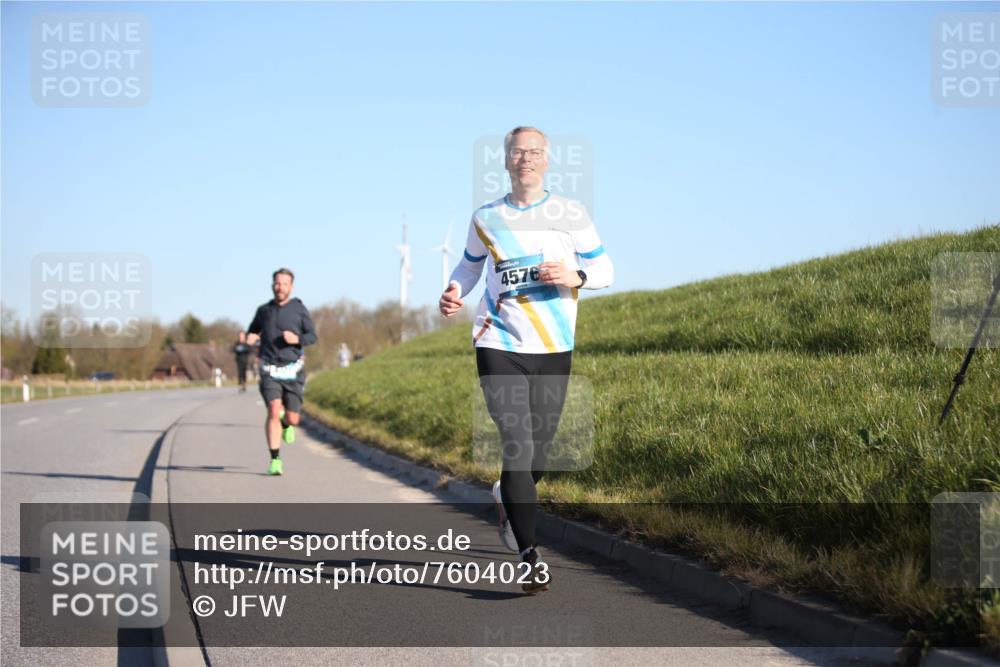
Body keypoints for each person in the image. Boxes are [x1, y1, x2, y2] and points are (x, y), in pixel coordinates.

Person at [439, 126, 613, 593]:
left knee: (537, 454)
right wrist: (456, 289)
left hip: (554, 346)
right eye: (519, 152)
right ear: (506, 160)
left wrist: (574, 273)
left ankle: (506, 494)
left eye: (534, 152)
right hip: (499, 342)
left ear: (547, 159)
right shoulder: (486, 217)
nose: (526, 159)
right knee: (517, 444)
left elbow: (604, 268)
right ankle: (529, 557)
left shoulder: (570, 213)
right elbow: (470, 265)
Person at [246, 268, 317, 476]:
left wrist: (297, 340)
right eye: (277, 283)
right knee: (273, 410)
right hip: (269, 369)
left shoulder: (299, 309)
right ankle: (275, 460)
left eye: (285, 284)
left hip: (293, 370)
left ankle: (288, 423)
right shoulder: (263, 311)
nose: (280, 287)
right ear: (272, 285)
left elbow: (312, 335)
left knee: (293, 419)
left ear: (291, 287)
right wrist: (251, 337)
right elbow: (253, 330)